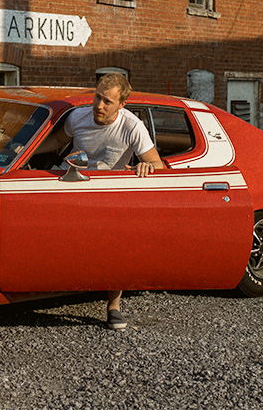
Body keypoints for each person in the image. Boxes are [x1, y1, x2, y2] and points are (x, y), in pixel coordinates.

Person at [35, 73, 165, 330]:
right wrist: (21, 151)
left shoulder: (132, 126)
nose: (99, 105)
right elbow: (58, 140)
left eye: (107, 101)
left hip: (108, 192)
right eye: (97, 97)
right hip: (71, 182)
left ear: (122, 104)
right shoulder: (78, 117)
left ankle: (113, 306)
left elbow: (156, 163)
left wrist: (144, 166)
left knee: (116, 243)